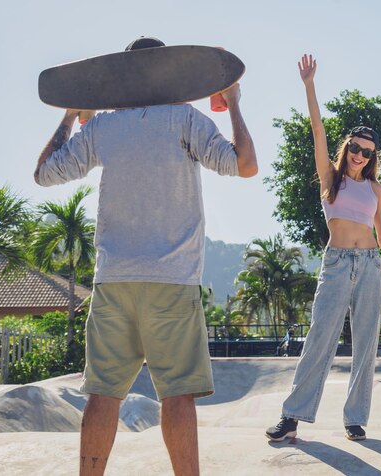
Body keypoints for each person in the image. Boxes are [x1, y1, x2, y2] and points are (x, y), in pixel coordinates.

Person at [34, 37, 257, 476]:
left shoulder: (102, 128)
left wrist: (70, 115)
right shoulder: (184, 119)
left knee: (103, 395)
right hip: (172, 282)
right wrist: (232, 103)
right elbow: (244, 165)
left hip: (113, 280)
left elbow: (44, 173)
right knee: (177, 395)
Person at [265, 54, 381, 442]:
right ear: (347, 148)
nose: (360, 156)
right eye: (355, 148)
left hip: (369, 266)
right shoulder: (330, 180)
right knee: (321, 338)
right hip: (335, 264)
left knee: (366, 343)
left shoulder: (375, 189)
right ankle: (292, 416)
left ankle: (355, 418)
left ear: (372, 157)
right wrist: (309, 84)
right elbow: (317, 130)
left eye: (367, 152)